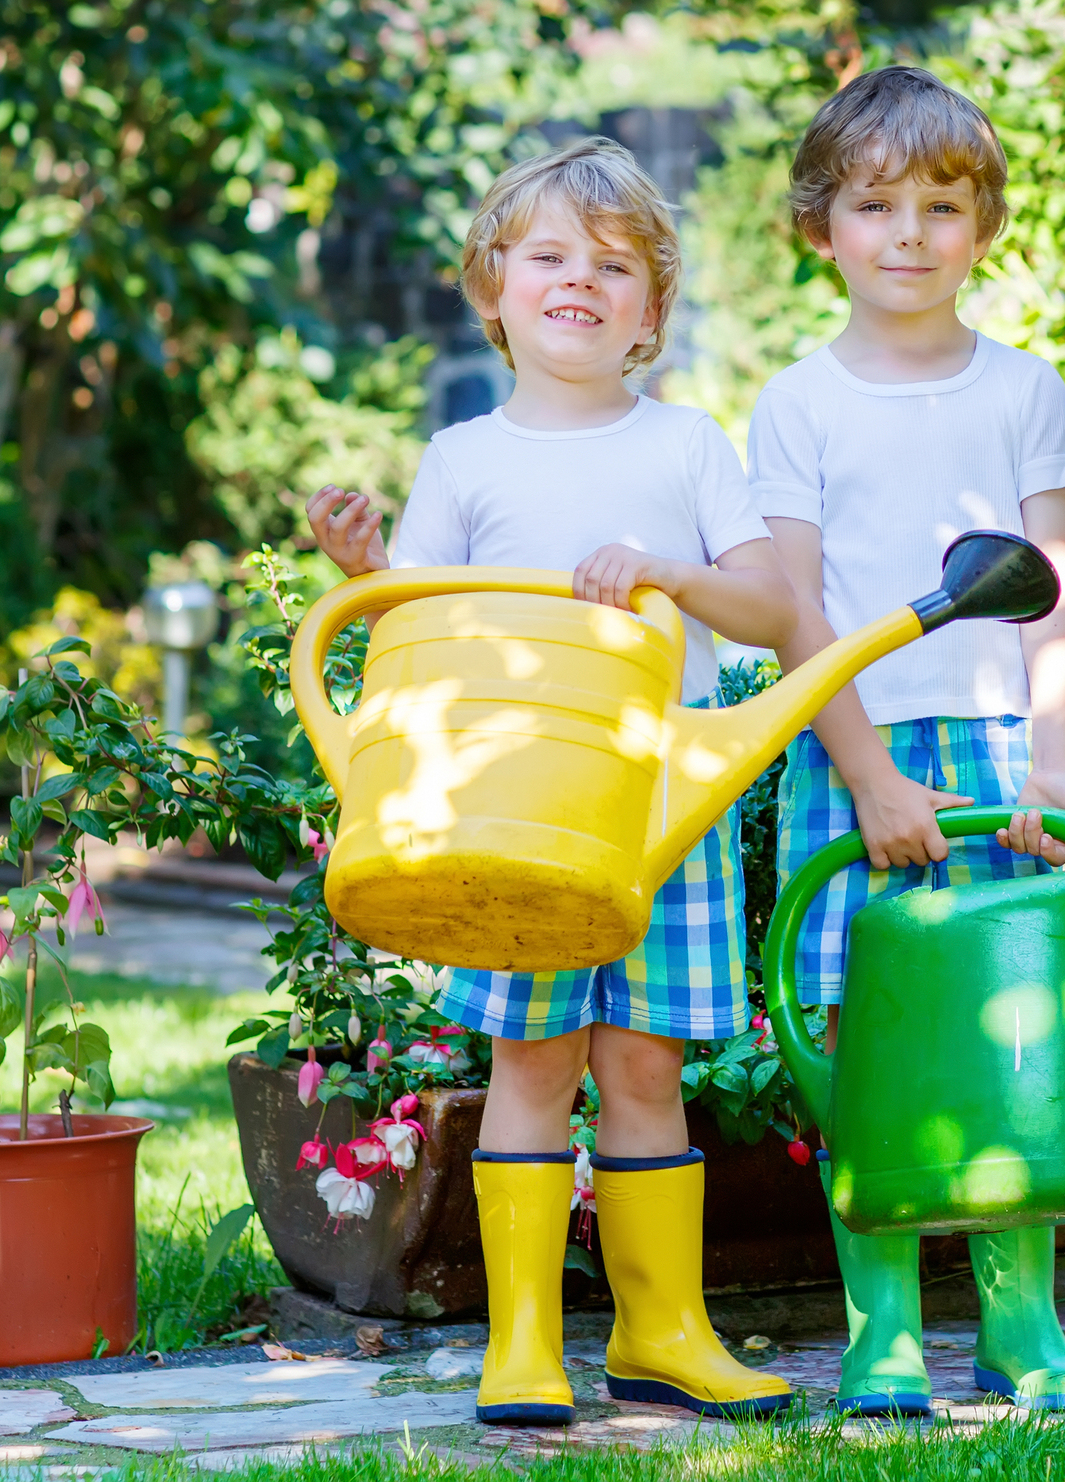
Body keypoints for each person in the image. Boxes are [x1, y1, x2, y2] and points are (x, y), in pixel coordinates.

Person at [307, 138, 796, 1426]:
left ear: (650, 310)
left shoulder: (688, 445)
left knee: (643, 1068)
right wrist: (360, 575)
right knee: (530, 1058)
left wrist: (670, 574)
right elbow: (410, 634)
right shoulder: (466, 458)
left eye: (616, 264)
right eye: (550, 255)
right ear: (493, 285)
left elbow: (767, 606)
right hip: (512, 810)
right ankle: (523, 1342)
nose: (582, 279)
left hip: (654, 806)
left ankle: (660, 1330)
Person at [747, 66, 1065, 1415]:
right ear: (822, 223)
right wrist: (866, 776)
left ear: (984, 223)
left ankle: (1024, 1329)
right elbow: (798, 613)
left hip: (1001, 753)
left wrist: (1054, 759)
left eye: (940, 206)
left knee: (1010, 1027)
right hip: (857, 748)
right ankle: (885, 1329)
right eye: (875, 203)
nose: (909, 232)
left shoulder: (1023, 386)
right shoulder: (796, 402)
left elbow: (1051, 583)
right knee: (877, 1042)